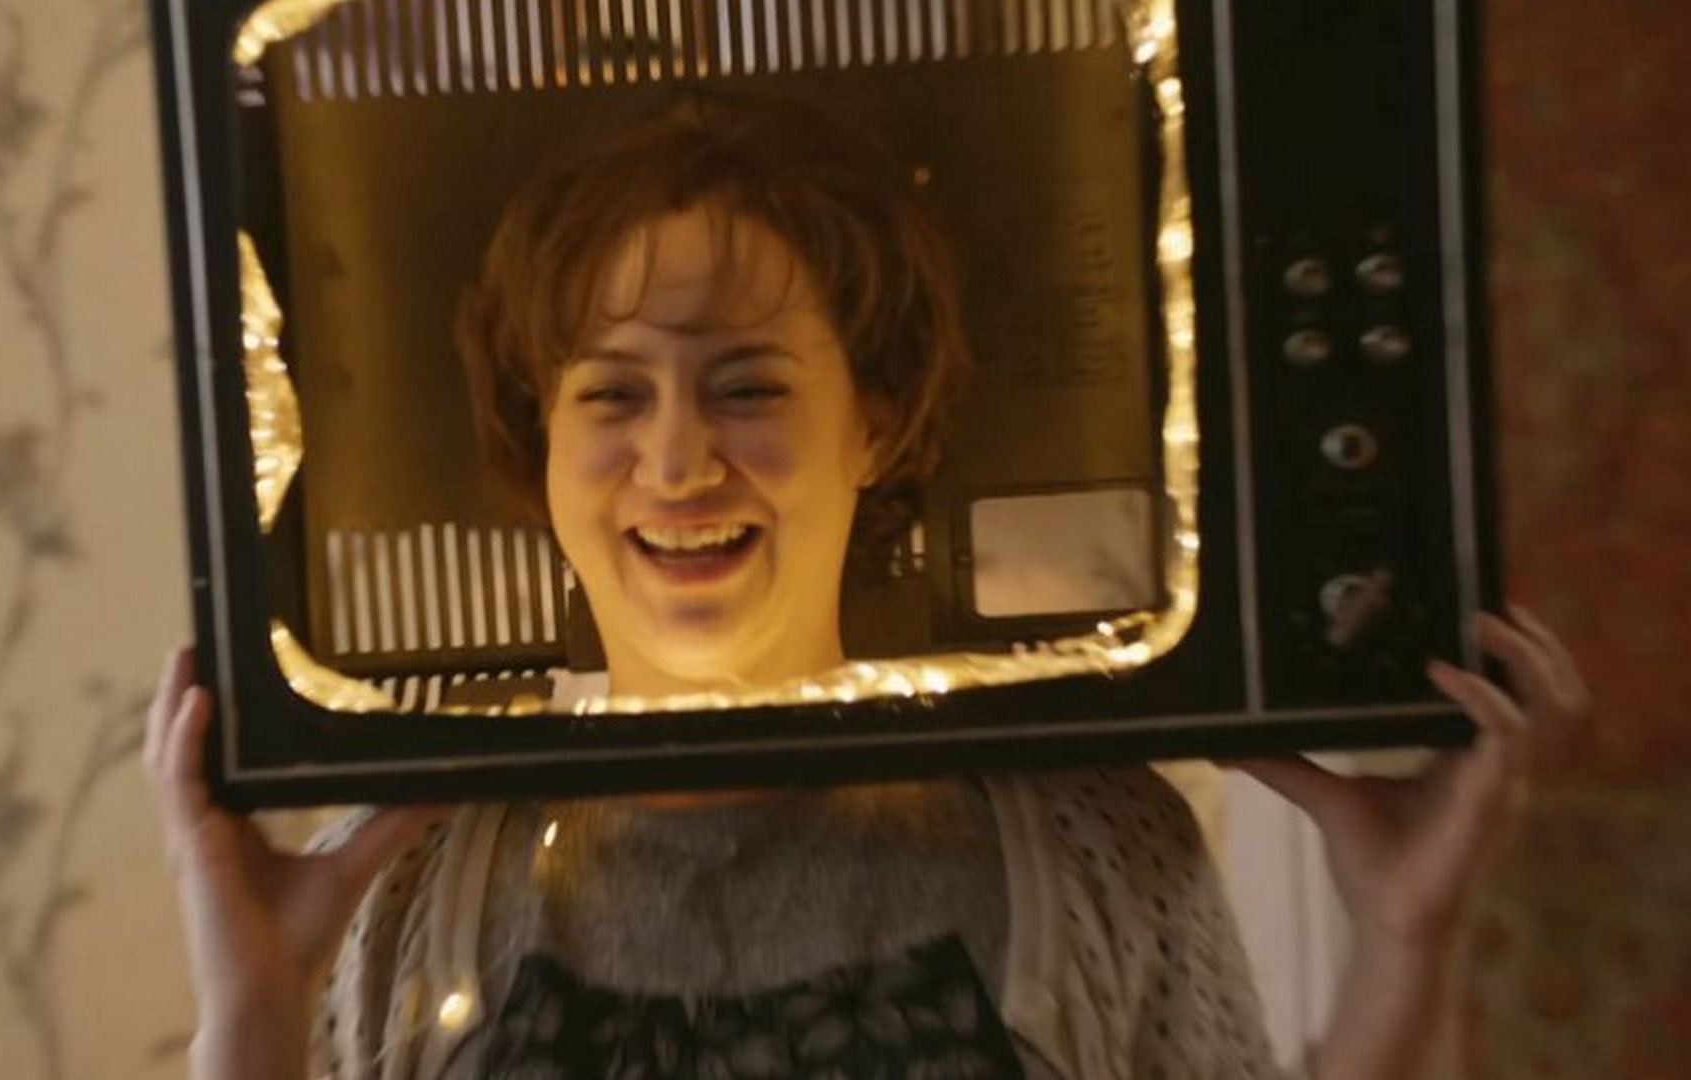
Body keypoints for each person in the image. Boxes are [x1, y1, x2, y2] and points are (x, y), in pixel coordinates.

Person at [144, 92, 1592, 1079]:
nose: (677, 460)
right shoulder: (406, 881)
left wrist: (1405, 941)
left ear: (878, 424)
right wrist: (252, 1024)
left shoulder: (1093, 843)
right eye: (612, 394)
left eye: (748, 385)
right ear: (543, 441)